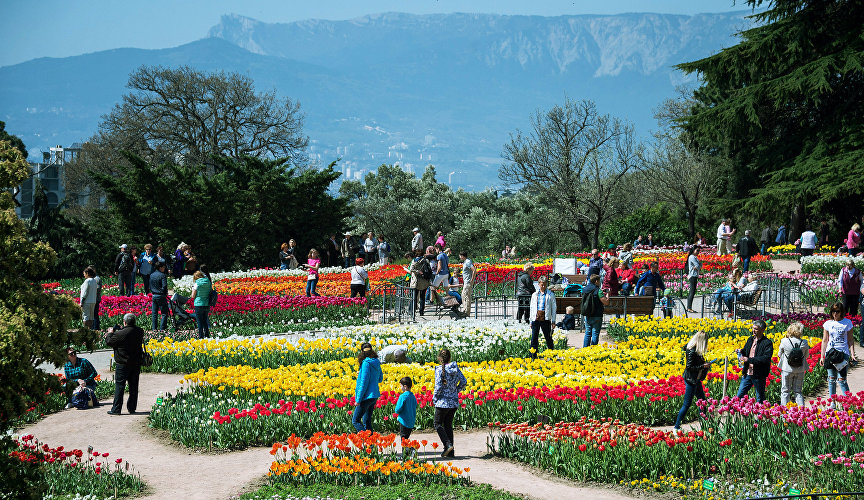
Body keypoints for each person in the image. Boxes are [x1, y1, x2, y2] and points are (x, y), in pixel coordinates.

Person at [105, 313, 144, 415]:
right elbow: (129, 333)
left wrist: (110, 333)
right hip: (135, 363)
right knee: (134, 386)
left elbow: (109, 342)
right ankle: (132, 408)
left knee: (120, 386)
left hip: (122, 364)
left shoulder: (119, 334)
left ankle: (116, 409)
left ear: (125, 322)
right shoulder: (140, 331)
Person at [673, 330, 711, 430]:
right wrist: (703, 365)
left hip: (696, 379)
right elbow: (689, 367)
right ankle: (676, 427)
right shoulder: (692, 350)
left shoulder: (695, 349)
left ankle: (704, 426)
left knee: (702, 402)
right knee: (687, 404)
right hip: (691, 380)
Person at [433, 349, 466, 458]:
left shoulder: (439, 370)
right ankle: (451, 452)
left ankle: (447, 445)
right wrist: (456, 390)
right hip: (453, 402)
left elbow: (438, 387)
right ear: (450, 358)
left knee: (437, 424)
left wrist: (435, 399)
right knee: (448, 425)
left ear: (439, 358)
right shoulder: (455, 368)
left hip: (442, 402)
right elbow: (464, 381)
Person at [821, 302, 856, 403]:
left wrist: (852, 354)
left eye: (837, 311)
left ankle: (848, 402)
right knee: (831, 379)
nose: (835, 314)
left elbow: (850, 340)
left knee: (842, 380)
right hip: (831, 353)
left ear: (841, 312)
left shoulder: (847, 323)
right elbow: (825, 340)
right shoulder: (828, 323)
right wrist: (822, 356)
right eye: (833, 311)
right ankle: (832, 402)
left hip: (843, 353)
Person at [735, 320, 773, 403]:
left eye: (756, 329)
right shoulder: (750, 339)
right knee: (739, 396)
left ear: (762, 330)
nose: (753, 330)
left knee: (760, 398)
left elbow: (765, 358)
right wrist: (741, 351)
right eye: (753, 328)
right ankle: (740, 413)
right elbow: (746, 351)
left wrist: (749, 360)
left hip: (759, 374)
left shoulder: (767, 343)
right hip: (748, 372)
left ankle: (760, 414)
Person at [353, 342, 382, 432]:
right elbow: (380, 379)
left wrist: (358, 399)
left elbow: (363, 383)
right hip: (374, 396)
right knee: (367, 421)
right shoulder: (376, 362)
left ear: (362, 352)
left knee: (356, 421)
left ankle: (366, 440)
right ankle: (372, 444)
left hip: (366, 396)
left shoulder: (366, 363)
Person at [778, 322, 809, 406]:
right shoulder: (804, 342)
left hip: (787, 369)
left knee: (785, 391)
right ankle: (801, 411)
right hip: (800, 370)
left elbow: (779, 354)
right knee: (798, 391)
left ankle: (784, 412)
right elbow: (806, 356)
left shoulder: (784, 341)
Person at [529, 276, 557, 358]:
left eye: (545, 285)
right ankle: (533, 355)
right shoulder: (534, 295)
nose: (543, 287)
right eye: (542, 285)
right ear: (538, 284)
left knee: (548, 337)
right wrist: (531, 320)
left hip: (545, 318)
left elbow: (554, 308)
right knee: (534, 337)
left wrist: (553, 321)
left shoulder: (550, 295)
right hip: (536, 317)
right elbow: (532, 307)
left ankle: (552, 353)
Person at [581, 274, 609, 347]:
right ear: (596, 281)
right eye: (599, 281)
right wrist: (608, 294)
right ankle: (594, 350)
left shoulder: (584, 289)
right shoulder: (598, 290)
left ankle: (585, 349)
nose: (600, 282)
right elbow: (605, 302)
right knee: (595, 333)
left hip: (587, 313)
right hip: (597, 314)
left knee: (587, 332)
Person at [406, 251, 430, 316]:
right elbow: (429, 269)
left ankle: (412, 311)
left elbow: (411, 269)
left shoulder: (414, 260)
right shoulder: (426, 260)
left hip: (416, 281)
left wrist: (417, 271)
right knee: (422, 297)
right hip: (424, 281)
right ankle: (421, 312)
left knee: (414, 297)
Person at [188, 270, 211, 339]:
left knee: (199, 321)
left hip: (198, 304)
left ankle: (201, 337)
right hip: (206, 303)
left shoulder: (196, 283)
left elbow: (193, 296)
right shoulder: (208, 282)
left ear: (197, 277)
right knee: (205, 320)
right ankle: (207, 335)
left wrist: (192, 290)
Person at [395, 376, 418, 445]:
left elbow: (398, 409)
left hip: (403, 421)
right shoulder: (413, 396)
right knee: (406, 438)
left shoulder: (403, 396)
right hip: (411, 421)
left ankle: (409, 451)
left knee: (403, 439)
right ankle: (406, 453)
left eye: (401, 386)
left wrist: (397, 412)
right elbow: (415, 406)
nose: (400, 388)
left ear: (405, 386)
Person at [150, 261, 170, 331]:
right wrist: (165, 292)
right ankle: (162, 329)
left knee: (154, 313)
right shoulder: (162, 275)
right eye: (164, 267)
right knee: (164, 313)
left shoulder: (152, 275)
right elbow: (164, 286)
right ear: (160, 267)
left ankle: (154, 329)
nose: (164, 268)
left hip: (154, 295)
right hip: (161, 295)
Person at [459, 251, 475, 317]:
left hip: (468, 282)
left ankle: (466, 312)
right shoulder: (466, 261)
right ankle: (466, 311)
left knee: (465, 296)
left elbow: (474, 270)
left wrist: (472, 280)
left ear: (462, 256)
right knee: (464, 296)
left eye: (460, 256)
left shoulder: (468, 262)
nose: (459, 257)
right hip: (466, 282)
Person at [685, 246, 701, 313]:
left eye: (699, 251)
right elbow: (698, 265)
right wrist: (697, 266)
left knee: (693, 291)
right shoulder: (691, 257)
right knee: (692, 291)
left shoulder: (695, 257)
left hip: (695, 275)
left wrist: (698, 266)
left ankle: (689, 307)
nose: (698, 252)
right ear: (693, 250)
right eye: (697, 250)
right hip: (692, 275)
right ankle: (689, 308)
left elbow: (699, 265)